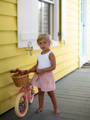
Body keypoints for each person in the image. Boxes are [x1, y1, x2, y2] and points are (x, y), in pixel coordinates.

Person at [11, 34, 60, 114]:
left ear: (49, 43)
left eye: (44, 42)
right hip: (39, 76)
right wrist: (28, 71)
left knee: (51, 93)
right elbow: (37, 65)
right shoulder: (40, 54)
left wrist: (43, 70)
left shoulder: (51, 54)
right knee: (40, 92)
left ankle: (56, 108)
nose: (42, 45)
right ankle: (40, 107)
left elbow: (53, 67)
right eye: (40, 43)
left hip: (47, 77)